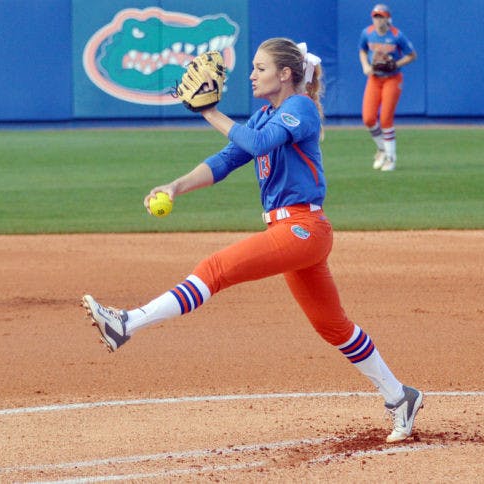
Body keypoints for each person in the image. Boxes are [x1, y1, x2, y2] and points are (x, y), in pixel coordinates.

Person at [82, 38, 422, 443]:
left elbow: (258, 144)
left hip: (302, 229)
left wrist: (209, 110)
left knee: (214, 269)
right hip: (290, 231)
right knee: (333, 327)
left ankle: (127, 323)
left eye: (260, 68)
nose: (251, 75)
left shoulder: (300, 108)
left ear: (285, 74)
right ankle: (401, 396)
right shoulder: (265, 115)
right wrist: (176, 186)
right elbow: (226, 159)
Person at [358, 4, 417, 171]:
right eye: (375, 16)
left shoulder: (397, 36)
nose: (378, 19)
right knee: (369, 118)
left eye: (381, 16)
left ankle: (391, 158)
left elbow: (412, 55)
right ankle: (382, 149)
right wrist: (365, 66)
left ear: (387, 18)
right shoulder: (367, 33)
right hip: (375, 78)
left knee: (385, 118)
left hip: (392, 78)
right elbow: (362, 50)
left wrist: (396, 64)